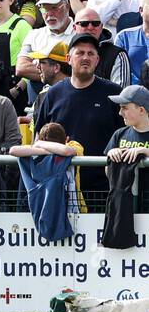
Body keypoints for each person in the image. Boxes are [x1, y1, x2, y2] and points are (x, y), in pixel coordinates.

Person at [33, 33, 123, 198]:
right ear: (68, 58)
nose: (85, 58)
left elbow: (125, 136)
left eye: (91, 54)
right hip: (60, 187)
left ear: (97, 60)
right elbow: (38, 138)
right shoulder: (53, 94)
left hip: (104, 189)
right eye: (80, 53)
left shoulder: (114, 93)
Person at [16, 0, 77, 88]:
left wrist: (42, 70)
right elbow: (21, 68)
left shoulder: (79, 33)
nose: (49, 13)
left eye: (54, 7)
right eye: (44, 8)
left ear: (67, 6)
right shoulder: (34, 35)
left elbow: (80, 73)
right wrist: (61, 72)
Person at [71, 7, 131, 87]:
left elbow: (121, 94)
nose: (90, 27)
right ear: (74, 27)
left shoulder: (117, 54)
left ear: (101, 26)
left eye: (95, 23)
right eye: (84, 23)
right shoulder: (67, 49)